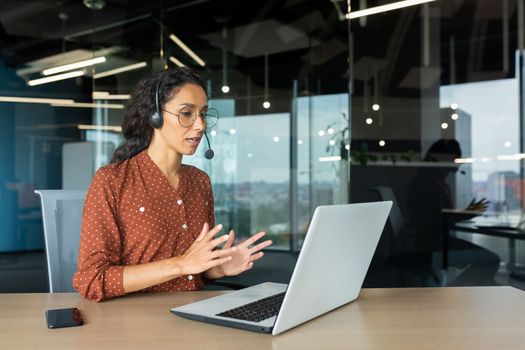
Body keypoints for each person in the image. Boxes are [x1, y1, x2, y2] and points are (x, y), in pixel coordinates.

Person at [73, 68, 272, 301]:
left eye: (203, 114)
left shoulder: (199, 181)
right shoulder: (112, 180)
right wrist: (181, 264)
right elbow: (92, 280)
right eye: (186, 113)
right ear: (155, 115)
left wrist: (219, 267)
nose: (200, 125)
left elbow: (195, 272)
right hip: (134, 321)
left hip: (192, 312)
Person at [407, 139, 499, 286]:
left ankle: (456, 291)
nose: (460, 162)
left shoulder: (433, 183)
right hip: (434, 246)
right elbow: (437, 221)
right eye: (457, 157)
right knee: (490, 261)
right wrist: (467, 213)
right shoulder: (433, 186)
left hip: (433, 243)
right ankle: (454, 290)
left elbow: (439, 218)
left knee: (489, 268)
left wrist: (466, 213)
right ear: (445, 159)